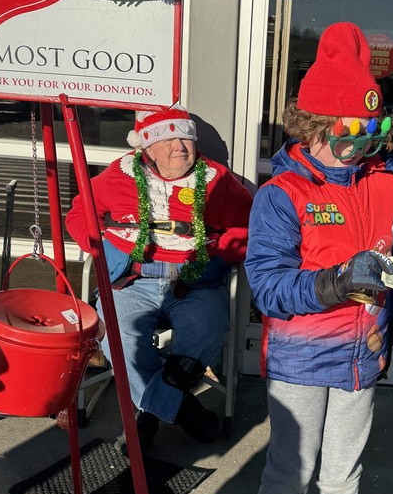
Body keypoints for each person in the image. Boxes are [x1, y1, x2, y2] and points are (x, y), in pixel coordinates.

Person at [243, 22, 393, 494]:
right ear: (310, 125)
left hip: (364, 356)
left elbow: (385, 248)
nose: (361, 144)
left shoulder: (382, 178)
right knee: (292, 470)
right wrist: (335, 283)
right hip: (303, 357)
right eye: (347, 131)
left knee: (344, 472)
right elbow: (268, 290)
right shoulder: (281, 195)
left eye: (374, 130)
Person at [66, 104, 253, 452]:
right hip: (133, 279)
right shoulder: (119, 175)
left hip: (195, 280)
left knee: (207, 328)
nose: (179, 146)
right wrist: (102, 247)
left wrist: (222, 251)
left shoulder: (218, 180)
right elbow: (80, 212)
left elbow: (248, 225)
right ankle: (183, 411)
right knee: (117, 337)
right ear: (147, 148)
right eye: (168, 139)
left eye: (186, 138)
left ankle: (148, 418)